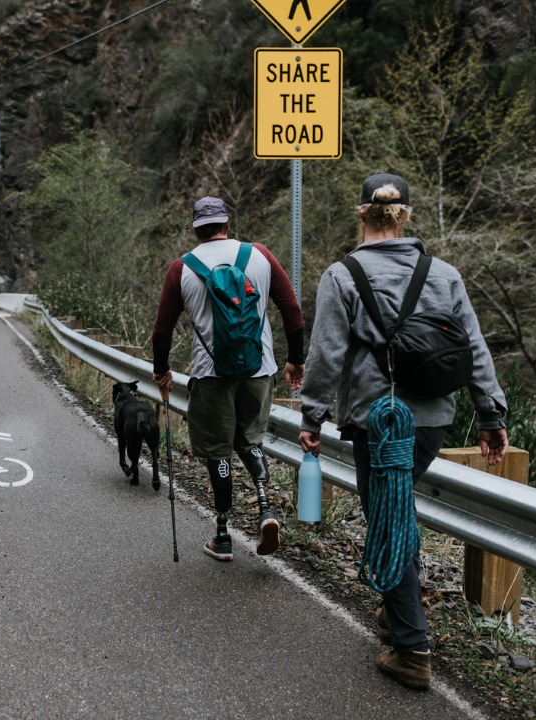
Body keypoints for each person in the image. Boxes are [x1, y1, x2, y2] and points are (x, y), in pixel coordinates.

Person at [298, 173, 509, 690]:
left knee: (387, 522)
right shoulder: (444, 274)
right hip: (432, 422)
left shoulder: (342, 275)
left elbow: (325, 354)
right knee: (396, 512)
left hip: (378, 421)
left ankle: (413, 650)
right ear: (406, 216)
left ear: (361, 214)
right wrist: (491, 415)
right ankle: (399, 609)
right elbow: (474, 349)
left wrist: (311, 416)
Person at [152, 196, 305, 561]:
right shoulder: (260, 255)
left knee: (218, 451)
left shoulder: (181, 268)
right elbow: (292, 310)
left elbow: (162, 332)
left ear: (195, 228)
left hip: (210, 375)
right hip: (258, 370)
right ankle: (265, 507)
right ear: (227, 223)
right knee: (250, 440)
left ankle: (222, 535)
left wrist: (162, 371)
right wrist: (295, 360)